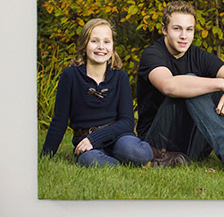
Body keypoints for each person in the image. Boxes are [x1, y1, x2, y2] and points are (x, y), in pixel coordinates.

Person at [134, 1, 224, 175]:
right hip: (160, 144)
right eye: (177, 29)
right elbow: (168, 86)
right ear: (164, 29)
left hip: (194, 143)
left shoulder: (197, 55)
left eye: (189, 29)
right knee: (191, 82)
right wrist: (221, 84)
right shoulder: (152, 54)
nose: (184, 36)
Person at [42, 17, 155, 168]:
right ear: (84, 45)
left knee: (139, 153)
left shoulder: (120, 77)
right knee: (90, 161)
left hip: (118, 137)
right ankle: (120, 163)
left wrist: (95, 138)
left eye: (106, 42)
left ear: (113, 47)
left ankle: (146, 156)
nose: (101, 47)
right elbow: (59, 121)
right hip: (86, 141)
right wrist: (45, 157)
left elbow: (127, 122)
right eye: (94, 41)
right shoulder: (70, 76)